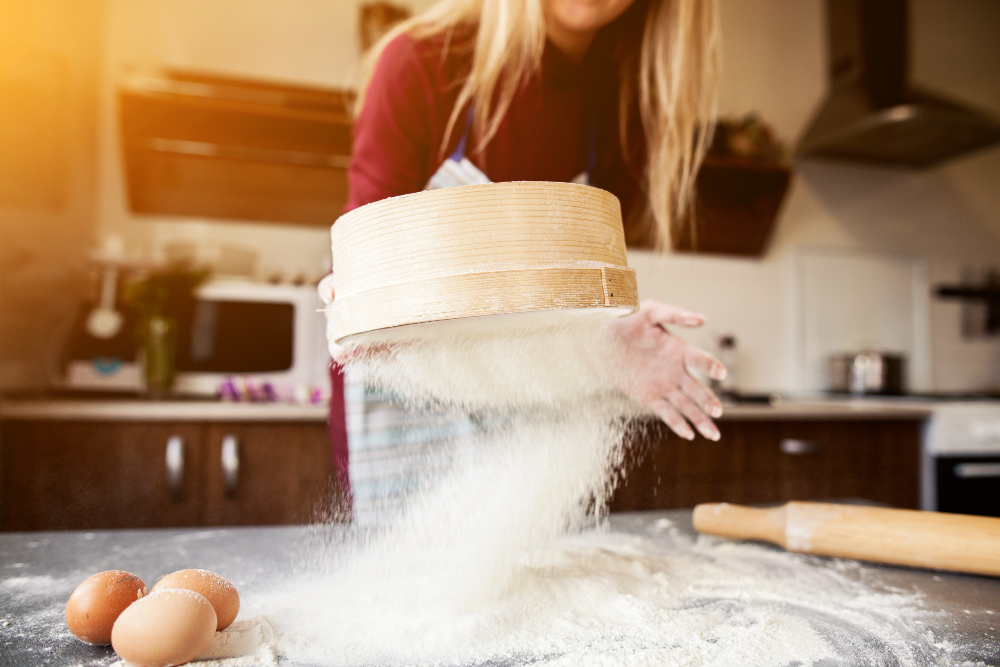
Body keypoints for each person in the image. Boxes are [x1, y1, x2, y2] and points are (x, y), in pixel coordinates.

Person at [323, 0, 726, 506]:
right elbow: (364, 275)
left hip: (535, 414)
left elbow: (568, 309)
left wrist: (607, 341)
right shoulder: (420, 66)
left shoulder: (627, 107)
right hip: (409, 417)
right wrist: (354, 298)